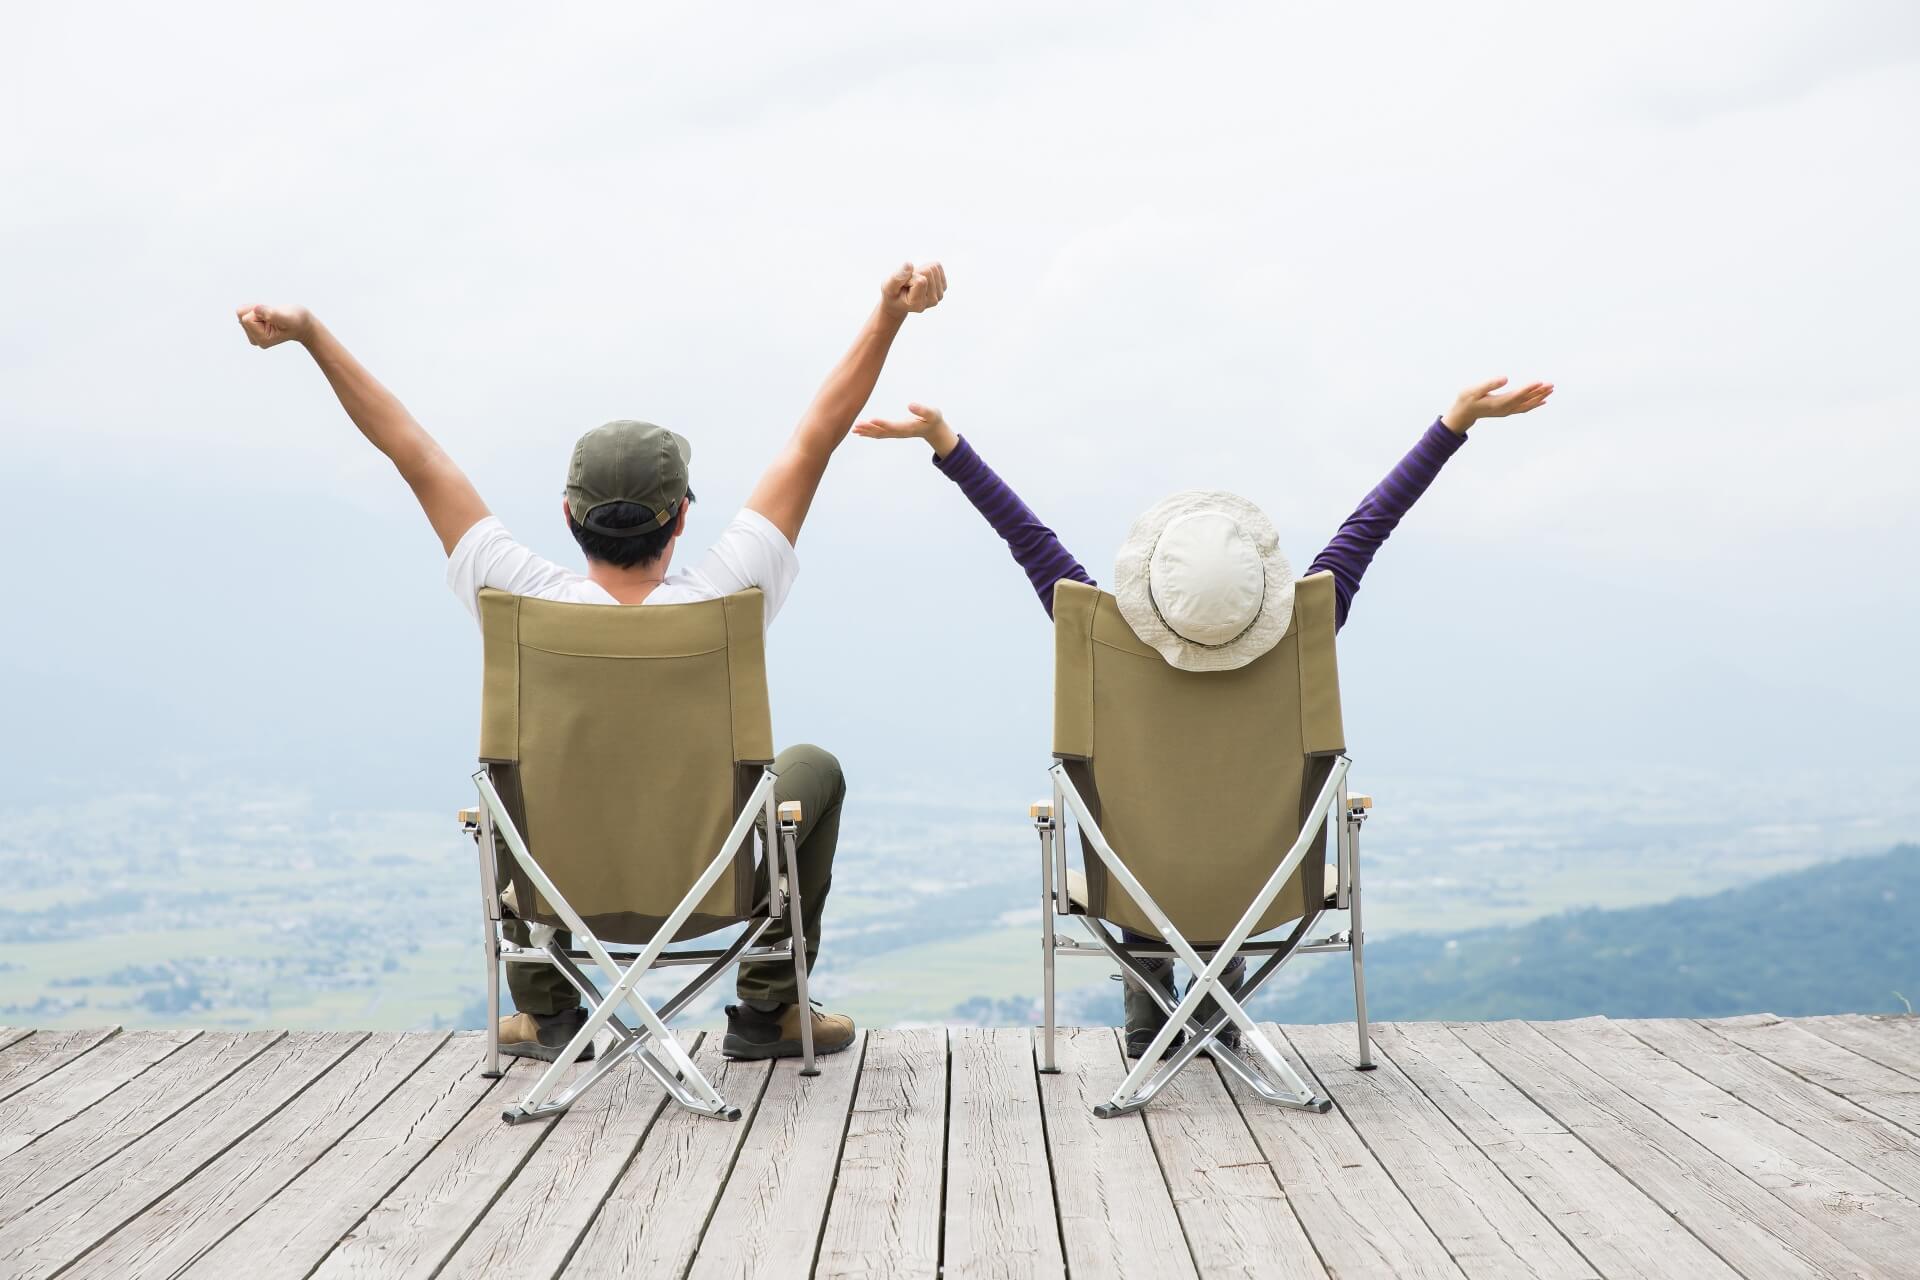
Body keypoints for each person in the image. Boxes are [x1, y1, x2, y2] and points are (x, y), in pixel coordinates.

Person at [236, 261, 948, 1063]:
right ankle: (767, 1010)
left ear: (569, 515)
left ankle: (545, 1011)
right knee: (812, 765)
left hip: (560, 901)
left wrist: (310, 334)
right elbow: (816, 434)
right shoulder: (727, 597)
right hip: (712, 896)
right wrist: (889, 315)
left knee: (501, 783)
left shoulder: (518, 601)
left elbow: (414, 453)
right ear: (681, 516)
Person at [854, 375, 1553, 1057]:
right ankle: (1221, 1005)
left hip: (1132, 894)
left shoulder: (1099, 641)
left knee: (1136, 826)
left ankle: (1150, 1011)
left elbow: (1025, 536)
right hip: (1274, 891)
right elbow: (1373, 522)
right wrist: (1453, 423)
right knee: (1228, 827)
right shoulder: (1305, 631)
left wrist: (945, 442)